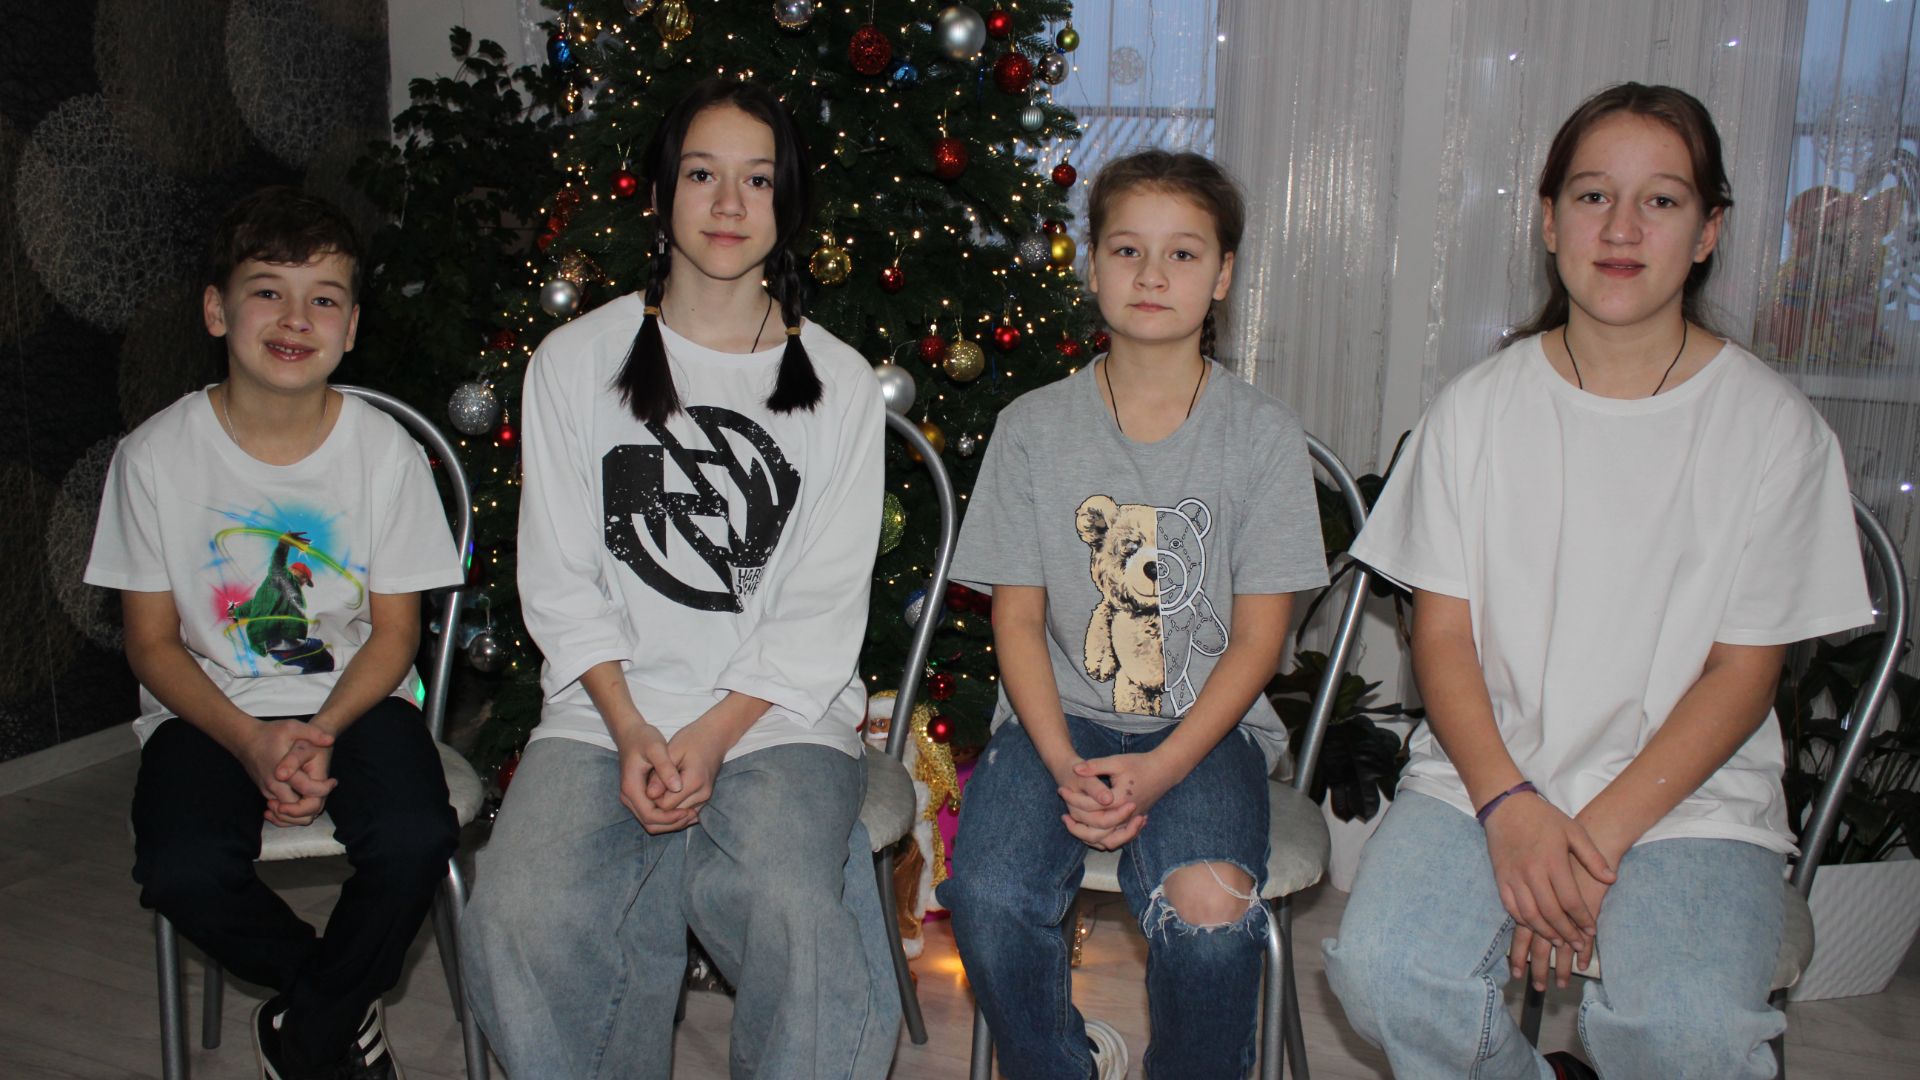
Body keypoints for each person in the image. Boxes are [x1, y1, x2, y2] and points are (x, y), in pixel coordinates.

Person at [1323, 83, 1873, 1080]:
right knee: (1384, 971)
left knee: (1687, 1034)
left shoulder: (1773, 430)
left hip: (1690, 800)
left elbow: (1743, 674)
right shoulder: (1476, 412)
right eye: (1591, 196)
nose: (1621, 228)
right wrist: (1513, 812)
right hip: (1486, 780)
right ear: (1549, 221)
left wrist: (1586, 847)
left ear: (1708, 231)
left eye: (1660, 200)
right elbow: (1441, 639)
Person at [457, 79, 895, 1079]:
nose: (729, 204)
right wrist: (630, 729)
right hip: (605, 708)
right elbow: (561, 580)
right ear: (659, 195)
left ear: (787, 204)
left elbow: (822, 607)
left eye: (757, 181)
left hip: (776, 716)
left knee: (788, 905)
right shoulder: (574, 360)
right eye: (702, 175)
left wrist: (708, 735)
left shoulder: (836, 380)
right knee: (517, 912)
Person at [937, 149, 1331, 1080]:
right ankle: (1062, 1063)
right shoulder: (1033, 428)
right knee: (987, 895)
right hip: (1056, 722)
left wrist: (1159, 769)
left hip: (1206, 730)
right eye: (1127, 250)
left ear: (1223, 275)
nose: (1152, 275)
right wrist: (1063, 764)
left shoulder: (1263, 437)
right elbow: (1017, 624)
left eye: (1183, 254)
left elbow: (1259, 640)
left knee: (1210, 916)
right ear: (1093, 265)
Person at [85, 186, 466, 1080]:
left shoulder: (385, 453)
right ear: (217, 310)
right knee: (180, 869)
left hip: (358, 698)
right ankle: (331, 1003)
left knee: (415, 838)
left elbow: (394, 636)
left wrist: (319, 731)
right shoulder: (154, 457)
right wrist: (252, 743)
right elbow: (152, 644)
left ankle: (306, 1029)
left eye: (323, 298)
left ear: (352, 326)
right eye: (268, 291)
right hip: (207, 707)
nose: (297, 318)